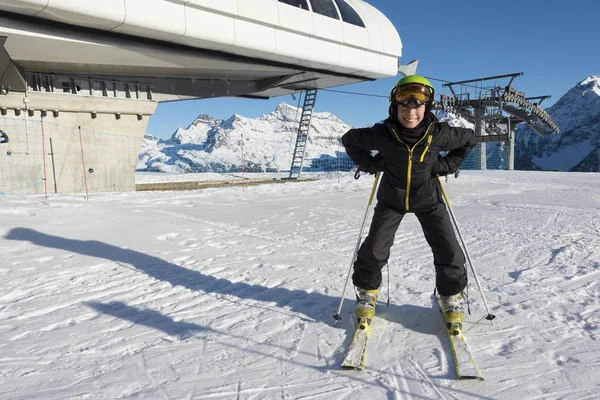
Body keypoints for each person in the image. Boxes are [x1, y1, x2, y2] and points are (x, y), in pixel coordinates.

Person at [341, 75, 477, 327]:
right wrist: (370, 164)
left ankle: (449, 296)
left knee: (448, 249)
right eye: (405, 105)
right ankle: (367, 295)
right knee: (374, 249)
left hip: (428, 199)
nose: (411, 112)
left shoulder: (439, 134)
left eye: (417, 106)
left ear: (427, 107)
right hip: (392, 200)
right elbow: (349, 140)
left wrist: (446, 164)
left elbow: (469, 139)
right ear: (395, 106)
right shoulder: (382, 134)